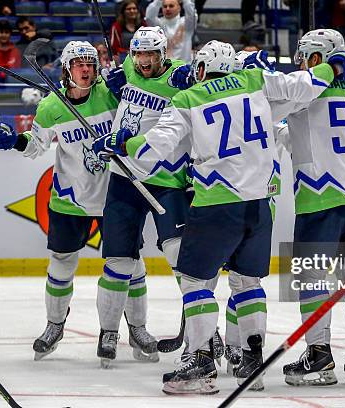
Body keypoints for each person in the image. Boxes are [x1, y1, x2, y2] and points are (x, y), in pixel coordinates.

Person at [106, 39, 345, 394]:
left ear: (203, 69)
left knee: (194, 280)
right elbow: (305, 84)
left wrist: (122, 143)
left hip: (217, 203)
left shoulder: (189, 98)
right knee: (247, 283)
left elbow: (151, 151)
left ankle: (201, 363)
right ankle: (251, 363)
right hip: (261, 203)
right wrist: (334, 67)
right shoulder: (256, 81)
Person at [0, 42, 120, 366]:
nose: (86, 69)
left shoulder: (112, 94)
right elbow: (35, 146)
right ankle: (55, 325)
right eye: (79, 65)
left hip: (114, 195)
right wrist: (14, 140)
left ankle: (120, 330)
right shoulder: (51, 107)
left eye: (90, 63)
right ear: (67, 70)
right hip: (70, 198)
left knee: (125, 264)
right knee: (60, 264)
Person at [278, 29, 345, 388]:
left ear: (321, 58)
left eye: (307, 57)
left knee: (311, 275)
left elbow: (285, 101)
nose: (300, 63)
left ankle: (319, 354)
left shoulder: (309, 86)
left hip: (322, 191)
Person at [92, 26, 199, 365]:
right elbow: (111, 90)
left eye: (151, 54)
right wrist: (113, 87)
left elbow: (200, 98)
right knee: (118, 262)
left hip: (166, 179)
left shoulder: (180, 75)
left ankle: (203, 335)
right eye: (139, 54)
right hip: (124, 176)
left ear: (163, 54)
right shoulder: (126, 68)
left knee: (179, 254)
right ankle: (109, 333)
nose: (144, 61)